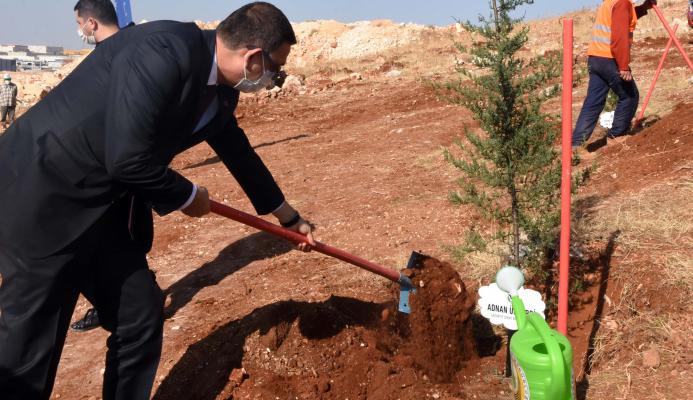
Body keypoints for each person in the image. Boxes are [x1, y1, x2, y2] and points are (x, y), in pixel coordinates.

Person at [0, 3, 314, 399]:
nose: (272, 80)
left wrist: (289, 219)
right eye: (274, 69)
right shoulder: (162, 52)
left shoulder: (219, 91)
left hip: (99, 207)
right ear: (253, 57)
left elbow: (238, 152)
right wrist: (187, 196)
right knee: (31, 348)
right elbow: (126, 158)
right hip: (41, 197)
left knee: (139, 315)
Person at [69, 0, 123, 333]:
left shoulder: (117, 56)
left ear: (91, 22)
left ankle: (120, 304)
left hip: (112, 169)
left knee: (114, 241)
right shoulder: (110, 55)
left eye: (78, 23)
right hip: (104, 166)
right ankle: (111, 304)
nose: (78, 30)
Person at [571, 0, 657, 149]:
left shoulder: (612, 1)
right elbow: (619, 36)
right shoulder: (622, 3)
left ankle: (575, 146)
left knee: (593, 102)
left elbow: (622, 20)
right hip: (609, 59)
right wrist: (623, 67)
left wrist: (643, 8)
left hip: (596, 57)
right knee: (630, 96)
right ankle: (616, 136)